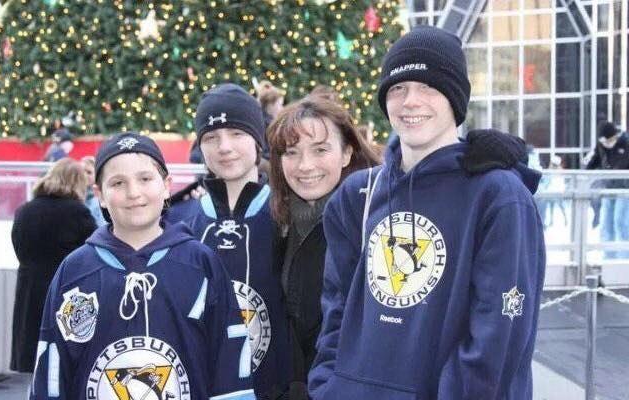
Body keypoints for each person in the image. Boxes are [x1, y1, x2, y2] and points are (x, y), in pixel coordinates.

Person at [308, 25, 545, 399]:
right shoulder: (358, 195)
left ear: (454, 99)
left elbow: (498, 336)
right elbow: (336, 308)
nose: (410, 101)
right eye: (398, 88)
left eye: (428, 87)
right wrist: (329, 385)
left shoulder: (497, 195)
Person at [30, 132, 254, 400]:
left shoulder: (201, 264)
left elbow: (229, 360)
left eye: (145, 179)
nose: (133, 193)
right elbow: (52, 369)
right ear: (100, 194)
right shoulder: (75, 271)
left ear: (167, 185)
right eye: (118, 183)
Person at [166, 84, 291, 399]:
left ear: (257, 139)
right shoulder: (180, 224)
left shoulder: (290, 214)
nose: (224, 147)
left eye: (236, 133)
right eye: (211, 137)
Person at [267, 98, 381, 399]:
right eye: (291, 152)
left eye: (320, 149)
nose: (305, 166)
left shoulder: (376, 219)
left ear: (346, 152)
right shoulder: (276, 221)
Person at [10, 158, 96, 374]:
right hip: (66, 293)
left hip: (28, 292)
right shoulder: (78, 212)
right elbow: (94, 252)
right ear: (76, 182)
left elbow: (18, 247)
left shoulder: (25, 210)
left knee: (32, 363)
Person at [586, 121, 629, 259]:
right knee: (606, 224)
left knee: (620, 222)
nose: (608, 143)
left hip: (624, 190)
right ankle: (608, 259)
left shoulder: (625, 143)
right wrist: (584, 172)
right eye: (605, 141)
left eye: (610, 140)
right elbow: (594, 161)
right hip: (608, 189)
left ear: (615, 136)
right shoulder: (602, 145)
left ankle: (623, 260)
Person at [80, 156, 106, 226]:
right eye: (81, 171)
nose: (84, 175)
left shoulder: (100, 198)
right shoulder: (72, 195)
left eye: (89, 172)